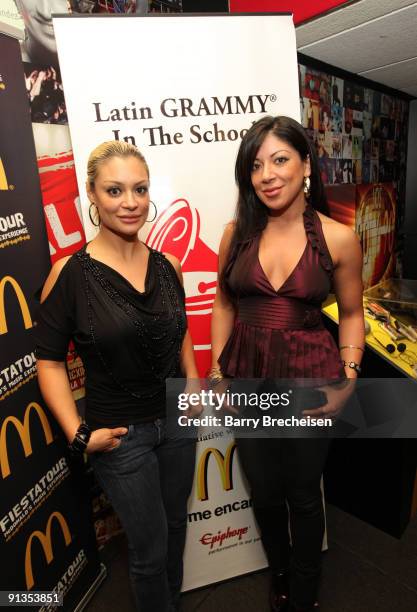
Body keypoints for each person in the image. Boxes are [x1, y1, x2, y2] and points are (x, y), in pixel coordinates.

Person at [35, 141, 198, 612]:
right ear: (92, 193)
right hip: (121, 437)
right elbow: (48, 361)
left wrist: (190, 384)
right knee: (147, 552)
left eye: (140, 189)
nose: (130, 202)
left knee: (175, 529)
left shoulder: (170, 266)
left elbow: (179, 331)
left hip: (176, 424)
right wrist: (78, 433)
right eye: (115, 189)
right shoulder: (70, 273)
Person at [210, 116, 364, 612]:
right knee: (265, 492)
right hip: (249, 380)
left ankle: (304, 586)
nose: (267, 175)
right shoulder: (236, 234)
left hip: (309, 378)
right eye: (256, 165)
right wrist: (218, 372)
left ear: (305, 167)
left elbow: (353, 314)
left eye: (279, 159)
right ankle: (278, 571)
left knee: (302, 492)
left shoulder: (338, 238)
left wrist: (349, 379)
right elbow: (224, 304)